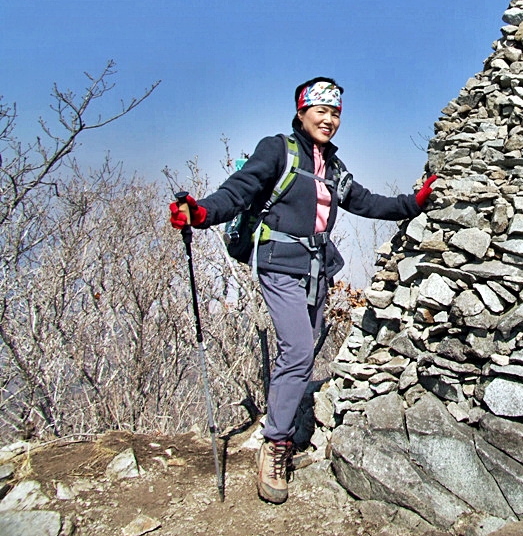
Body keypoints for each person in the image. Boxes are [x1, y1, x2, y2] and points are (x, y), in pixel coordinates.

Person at [169, 77, 435, 504]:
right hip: (278, 263)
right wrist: (201, 213)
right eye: (321, 111)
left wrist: (413, 203)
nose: (329, 119)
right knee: (297, 350)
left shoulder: (332, 166)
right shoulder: (277, 149)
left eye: (336, 113)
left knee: (304, 349)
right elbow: (238, 191)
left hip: (316, 269)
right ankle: (275, 446)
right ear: (301, 111)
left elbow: (365, 202)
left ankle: (282, 425)